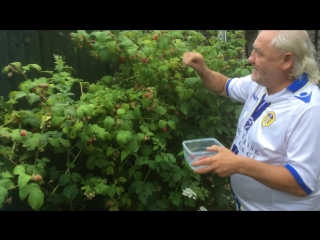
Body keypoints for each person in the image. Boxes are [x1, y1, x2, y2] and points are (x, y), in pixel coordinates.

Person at [182, 30, 320, 211]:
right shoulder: (262, 83)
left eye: (259, 53)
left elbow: (302, 183)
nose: (250, 59)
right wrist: (202, 69)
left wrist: (238, 164)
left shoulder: (309, 109)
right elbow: (224, 86)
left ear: (286, 60)